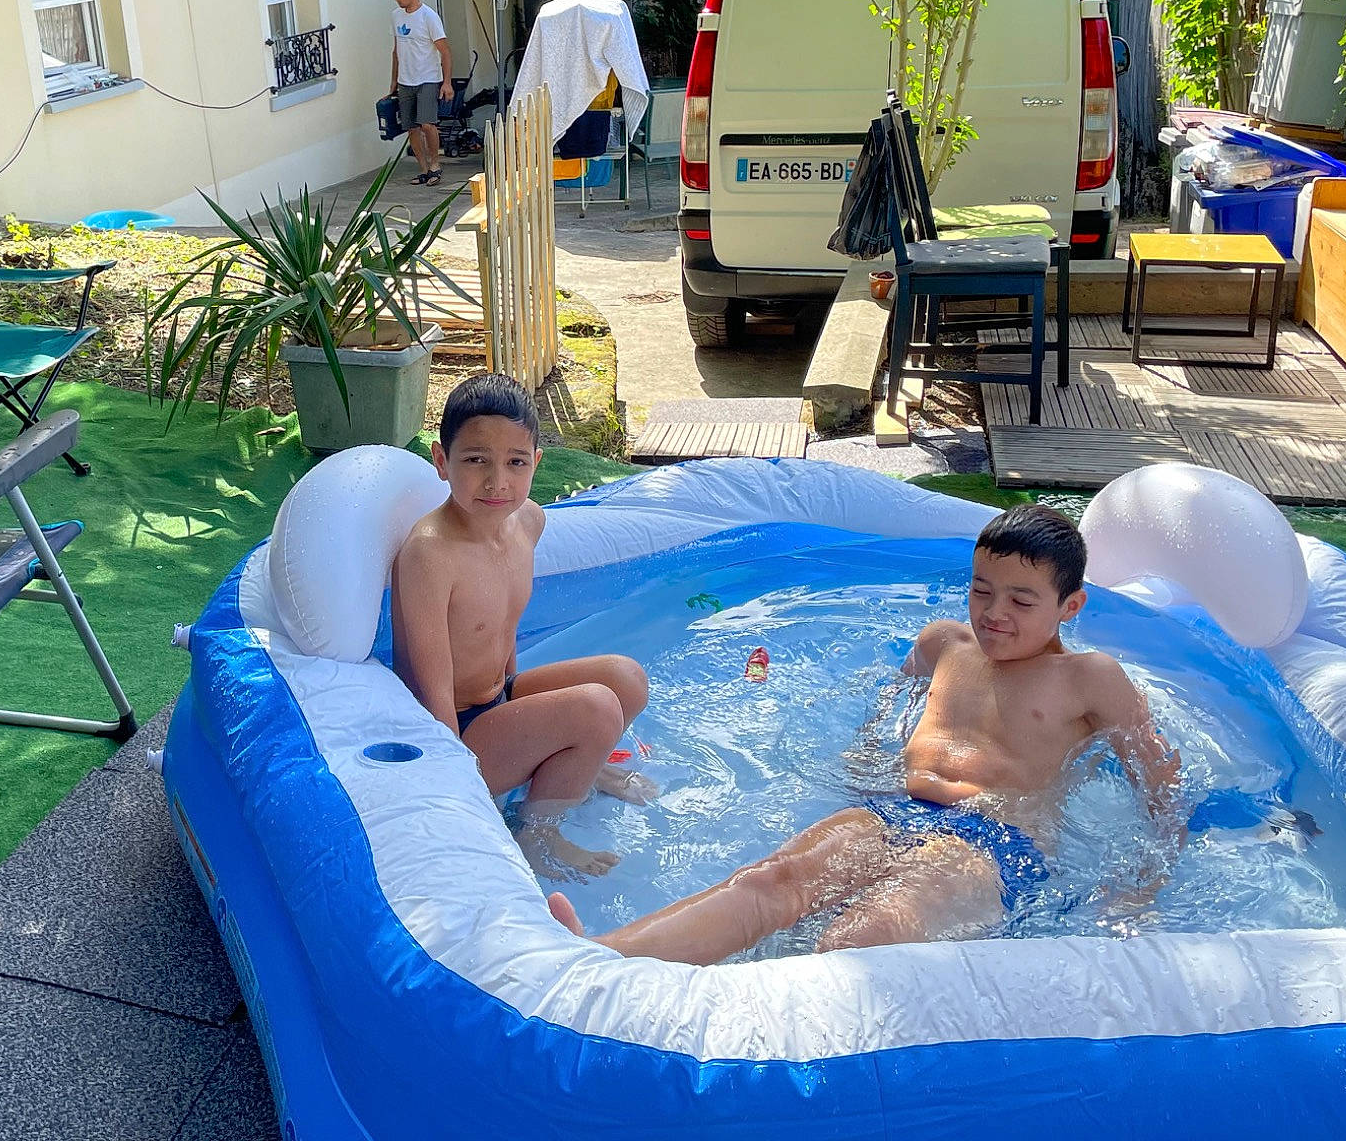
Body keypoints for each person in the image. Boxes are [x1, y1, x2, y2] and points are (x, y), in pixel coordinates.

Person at [549, 505, 1184, 961]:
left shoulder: (1088, 679)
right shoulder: (944, 644)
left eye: (1021, 602)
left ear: (1069, 606)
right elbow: (894, 699)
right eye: (981, 590)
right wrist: (868, 745)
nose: (993, 614)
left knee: (858, 939)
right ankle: (603, 959)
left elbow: (1159, 781)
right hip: (897, 813)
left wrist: (1141, 885)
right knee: (768, 884)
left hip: (997, 844)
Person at [392, 373, 656, 879]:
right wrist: (455, 785)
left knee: (626, 678)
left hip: (498, 699)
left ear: (536, 463)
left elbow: (501, 629)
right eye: (475, 460)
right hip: (453, 729)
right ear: (441, 461)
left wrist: (524, 710)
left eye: (515, 462)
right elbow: (430, 687)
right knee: (597, 708)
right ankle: (536, 833)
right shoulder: (431, 552)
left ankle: (578, 764)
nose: (497, 481)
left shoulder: (528, 522)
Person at [390, 0, 453, 187]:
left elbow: (445, 51)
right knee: (411, 127)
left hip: (427, 78)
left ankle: (435, 164)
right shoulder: (396, 17)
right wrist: (393, 83)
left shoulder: (429, 17)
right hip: (405, 81)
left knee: (427, 124)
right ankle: (424, 169)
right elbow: (396, 51)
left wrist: (447, 82)